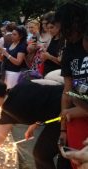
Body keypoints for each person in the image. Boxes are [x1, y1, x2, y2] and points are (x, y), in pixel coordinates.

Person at [0, 80, 70, 169]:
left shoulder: (9, 112)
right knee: (64, 154)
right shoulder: (19, 86)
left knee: (41, 155)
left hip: (66, 113)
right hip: (67, 94)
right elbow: (40, 101)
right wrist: (35, 124)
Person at [55, 2, 88, 168]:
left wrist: (79, 111)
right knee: (77, 161)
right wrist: (63, 129)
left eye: (66, 29)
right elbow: (68, 90)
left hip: (79, 112)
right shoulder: (69, 50)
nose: (65, 35)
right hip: (77, 117)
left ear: (77, 22)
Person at [40, 12, 61, 76]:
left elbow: (64, 63)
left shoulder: (64, 41)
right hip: (47, 73)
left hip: (56, 76)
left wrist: (49, 57)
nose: (44, 26)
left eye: (51, 27)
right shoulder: (53, 37)